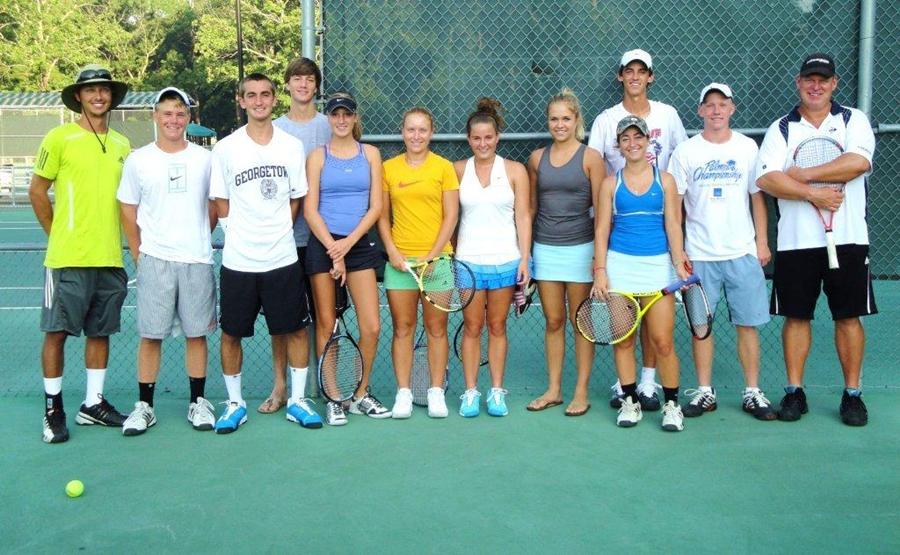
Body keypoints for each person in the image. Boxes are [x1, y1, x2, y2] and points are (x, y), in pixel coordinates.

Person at [756, 53, 876, 426]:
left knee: (849, 317)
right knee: (796, 317)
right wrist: (814, 195)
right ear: (799, 82)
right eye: (809, 78)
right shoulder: (781, 128)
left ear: (834, 84)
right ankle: (795, 391)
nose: (816, 86)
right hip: (796, 242)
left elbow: (858, 162)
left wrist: (803, 175)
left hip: (849, 239)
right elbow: (768, 178)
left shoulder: (853, 120)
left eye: (823, 80)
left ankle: (852, 395)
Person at [29, 64, 132, 443]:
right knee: (56, 333)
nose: (98, 96)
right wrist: (58, 234)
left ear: (111, 96)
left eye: (104, 90)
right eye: (91, 90)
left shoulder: (122, 145)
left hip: (109, 258)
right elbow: (37, 191)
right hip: (67, 259)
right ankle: (53, 410)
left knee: (100, 333)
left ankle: (93, 404)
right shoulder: (60, 137)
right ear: (79, 96)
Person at [209, 72, 314, 434]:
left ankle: (297, 400)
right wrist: (236, 233)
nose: (258, 101)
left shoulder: (291, 146)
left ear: (274, 99)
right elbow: (220, 200)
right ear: (241, 101)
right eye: (251, 95)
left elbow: (296, 197)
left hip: (282, 258)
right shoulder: (225, 148)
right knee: (231, 334)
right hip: (239, 260)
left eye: (265, 94)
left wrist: (279, 230)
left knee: (295, 330)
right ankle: (235, 403)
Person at [668, 83, 776, 421]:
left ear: (732, 109)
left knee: (748, 325)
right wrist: (679, 251)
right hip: (699, 255)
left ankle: (752, 391)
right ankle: (704, 391)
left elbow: (757, 197)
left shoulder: (747, 147)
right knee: (701, 326)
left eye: (722, 104)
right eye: (710, 105)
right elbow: (675, 206)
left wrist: (761, 242)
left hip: (742, 252)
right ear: (700, 111)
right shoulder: (685, 151)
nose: (716, 110)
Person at [588, 49, 688, 411]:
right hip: (620, 262)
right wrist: (600, 268)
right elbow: (602, 226)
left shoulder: (667, 174)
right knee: (624, 338)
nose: (632, 143)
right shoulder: (609, 172)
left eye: (638, 138)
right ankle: (629, 397)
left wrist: (679, 261)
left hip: (657, 262)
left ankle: (664, 398)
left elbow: (673, 223)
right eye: (625, 139)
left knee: (662, 340)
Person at [116, 87, 219, 436]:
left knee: (197, 334)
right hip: (155, 260)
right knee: (151, 335)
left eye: (180, 113)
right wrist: (138, 251)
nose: (174, 120)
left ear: (188, 118)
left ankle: (198, 402)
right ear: (155, 116)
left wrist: (197, 236)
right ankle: (145, 406)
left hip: (196, 260)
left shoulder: (205, 159)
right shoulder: (139, 160)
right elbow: (127, 208)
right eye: (167, 113)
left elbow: (213, 207)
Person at [304, 92, 390, 425]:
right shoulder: (317, 157)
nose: (341, 120)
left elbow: (376, 206)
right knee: (327, 325)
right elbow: (310, 210)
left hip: (359, 246)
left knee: (371, 326)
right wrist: (333, 248)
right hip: (323, 246)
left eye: (347, 114)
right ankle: (333, 397)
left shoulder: (371, 154)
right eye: (335, 114)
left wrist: (348, 244)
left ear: (355, 118)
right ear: (328, 118)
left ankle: (359, 394)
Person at [259, 57, 332, 419]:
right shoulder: (274, 129)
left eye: (309, 79)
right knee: (282, 320)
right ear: (287, 85)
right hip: (283, 240)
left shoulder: (331, 124)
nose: (303, 84)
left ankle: (327, 386)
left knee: (326, 317)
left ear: (316, 85)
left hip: (323, 240)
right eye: (297, 78)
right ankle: (280, 387)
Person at [525, 89, 605, 417]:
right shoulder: (536, 159)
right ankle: (554, 390)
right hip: (545, 250)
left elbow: (601, 211)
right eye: (554, 119)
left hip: (581, 249)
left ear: (576, 121)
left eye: (566, 119)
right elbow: (531, 209)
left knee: (580, 321)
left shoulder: (591, 158)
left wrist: (599, 257)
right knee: (553, 320)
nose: (560, 124)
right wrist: (526, 253)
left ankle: (581, 392)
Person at [378, 107, 459, 419]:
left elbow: (451, 216)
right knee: (402, 329)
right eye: (411, 129)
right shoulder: (388, 169)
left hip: (437, 264)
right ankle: (404, 393)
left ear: (431, 132)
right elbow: (382, 217)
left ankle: (436, 392)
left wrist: (433, 256)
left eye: (422, 130)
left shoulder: (444, 168)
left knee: (437, 329)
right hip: (400, 265)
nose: (416, 135)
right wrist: (393, 253)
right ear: (402, 132)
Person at [452, 98, 531, 418]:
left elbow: (523, 216)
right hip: (468, 264)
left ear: (497, 137)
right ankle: (471, 392)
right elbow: (449, 218)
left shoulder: (515, 170)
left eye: (488, 137)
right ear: (468, 139)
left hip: (505, 261)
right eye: (476, 138)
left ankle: (496, 391)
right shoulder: (458, 170)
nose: (482, 143)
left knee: (497, 326)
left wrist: (524, 259)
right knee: (472, 327)